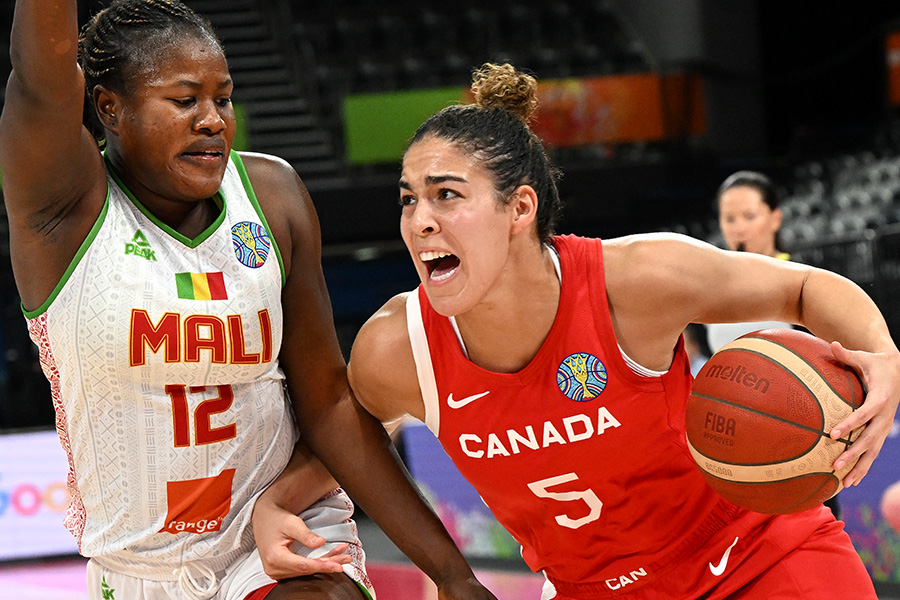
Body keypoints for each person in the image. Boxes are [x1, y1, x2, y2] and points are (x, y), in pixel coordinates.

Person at [335, 63, 898, 598]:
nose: (419, 220)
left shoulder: (636, 280)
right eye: (409, 199)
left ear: (520, 208)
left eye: (446, 194)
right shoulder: (396, 347)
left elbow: (802, 288)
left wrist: (883, 355)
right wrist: (279, 503)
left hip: (756, 557)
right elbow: (344, 438)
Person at [0, 1, 497, 599]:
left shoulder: (273, 194)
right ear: (110, 109)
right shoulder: (64, 211)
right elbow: (41, 77)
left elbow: (329, 399)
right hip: (139, 570)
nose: (212, 120)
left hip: (276, 541)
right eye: (184, 101)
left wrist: (451, 574)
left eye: (223, 99)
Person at [706, 170, 792, 353]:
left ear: (775, 219)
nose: (739, 229)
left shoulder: (803, 277)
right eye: (729, 219)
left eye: (750, 216)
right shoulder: (710, 286)